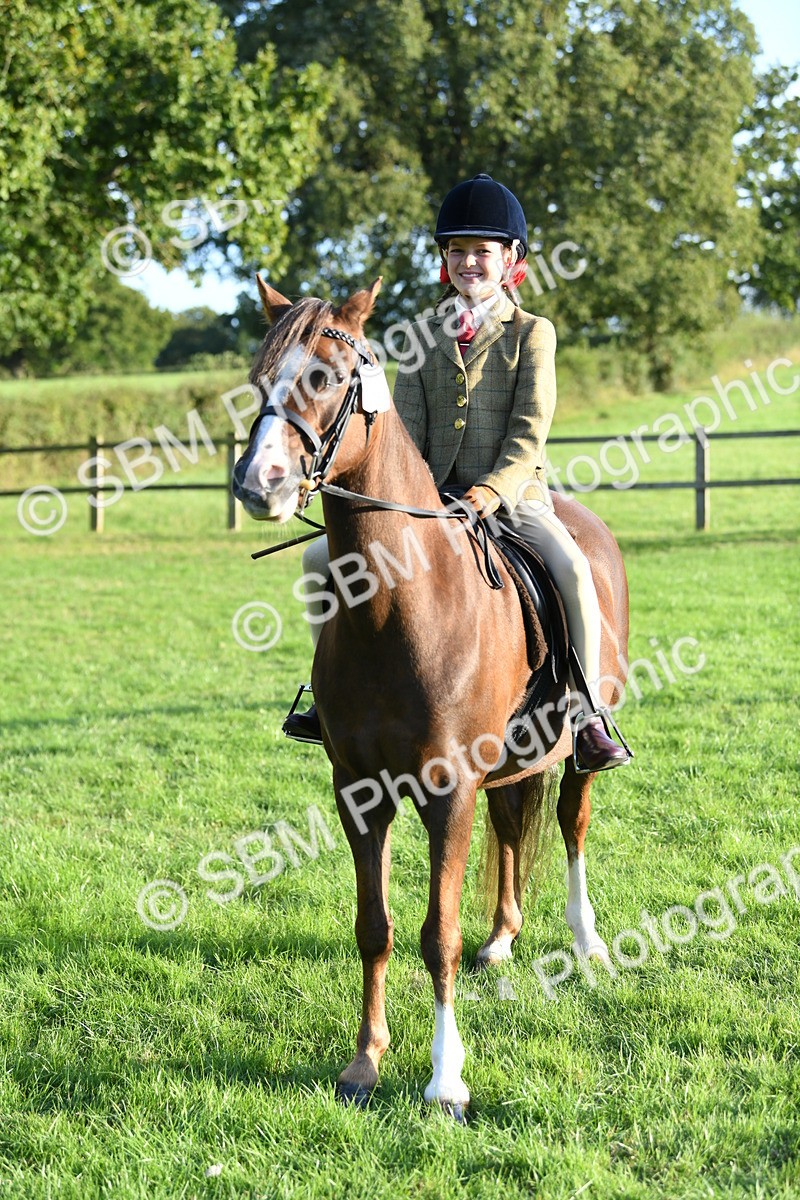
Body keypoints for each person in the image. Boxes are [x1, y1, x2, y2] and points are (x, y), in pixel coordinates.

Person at [284, 173, 629, 771]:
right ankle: (325, 697)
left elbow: (529, 432)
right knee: (319, 561)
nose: (469, 263)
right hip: (428, 499)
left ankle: (588, 711)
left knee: (572, 565)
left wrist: (490, 492)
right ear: (445, 259)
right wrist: (408, 494)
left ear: (510, 259)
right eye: (458, 251)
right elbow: (403, 434)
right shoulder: (422, 335)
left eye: (482, 252)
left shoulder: (532, 334)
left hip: (512, 495)